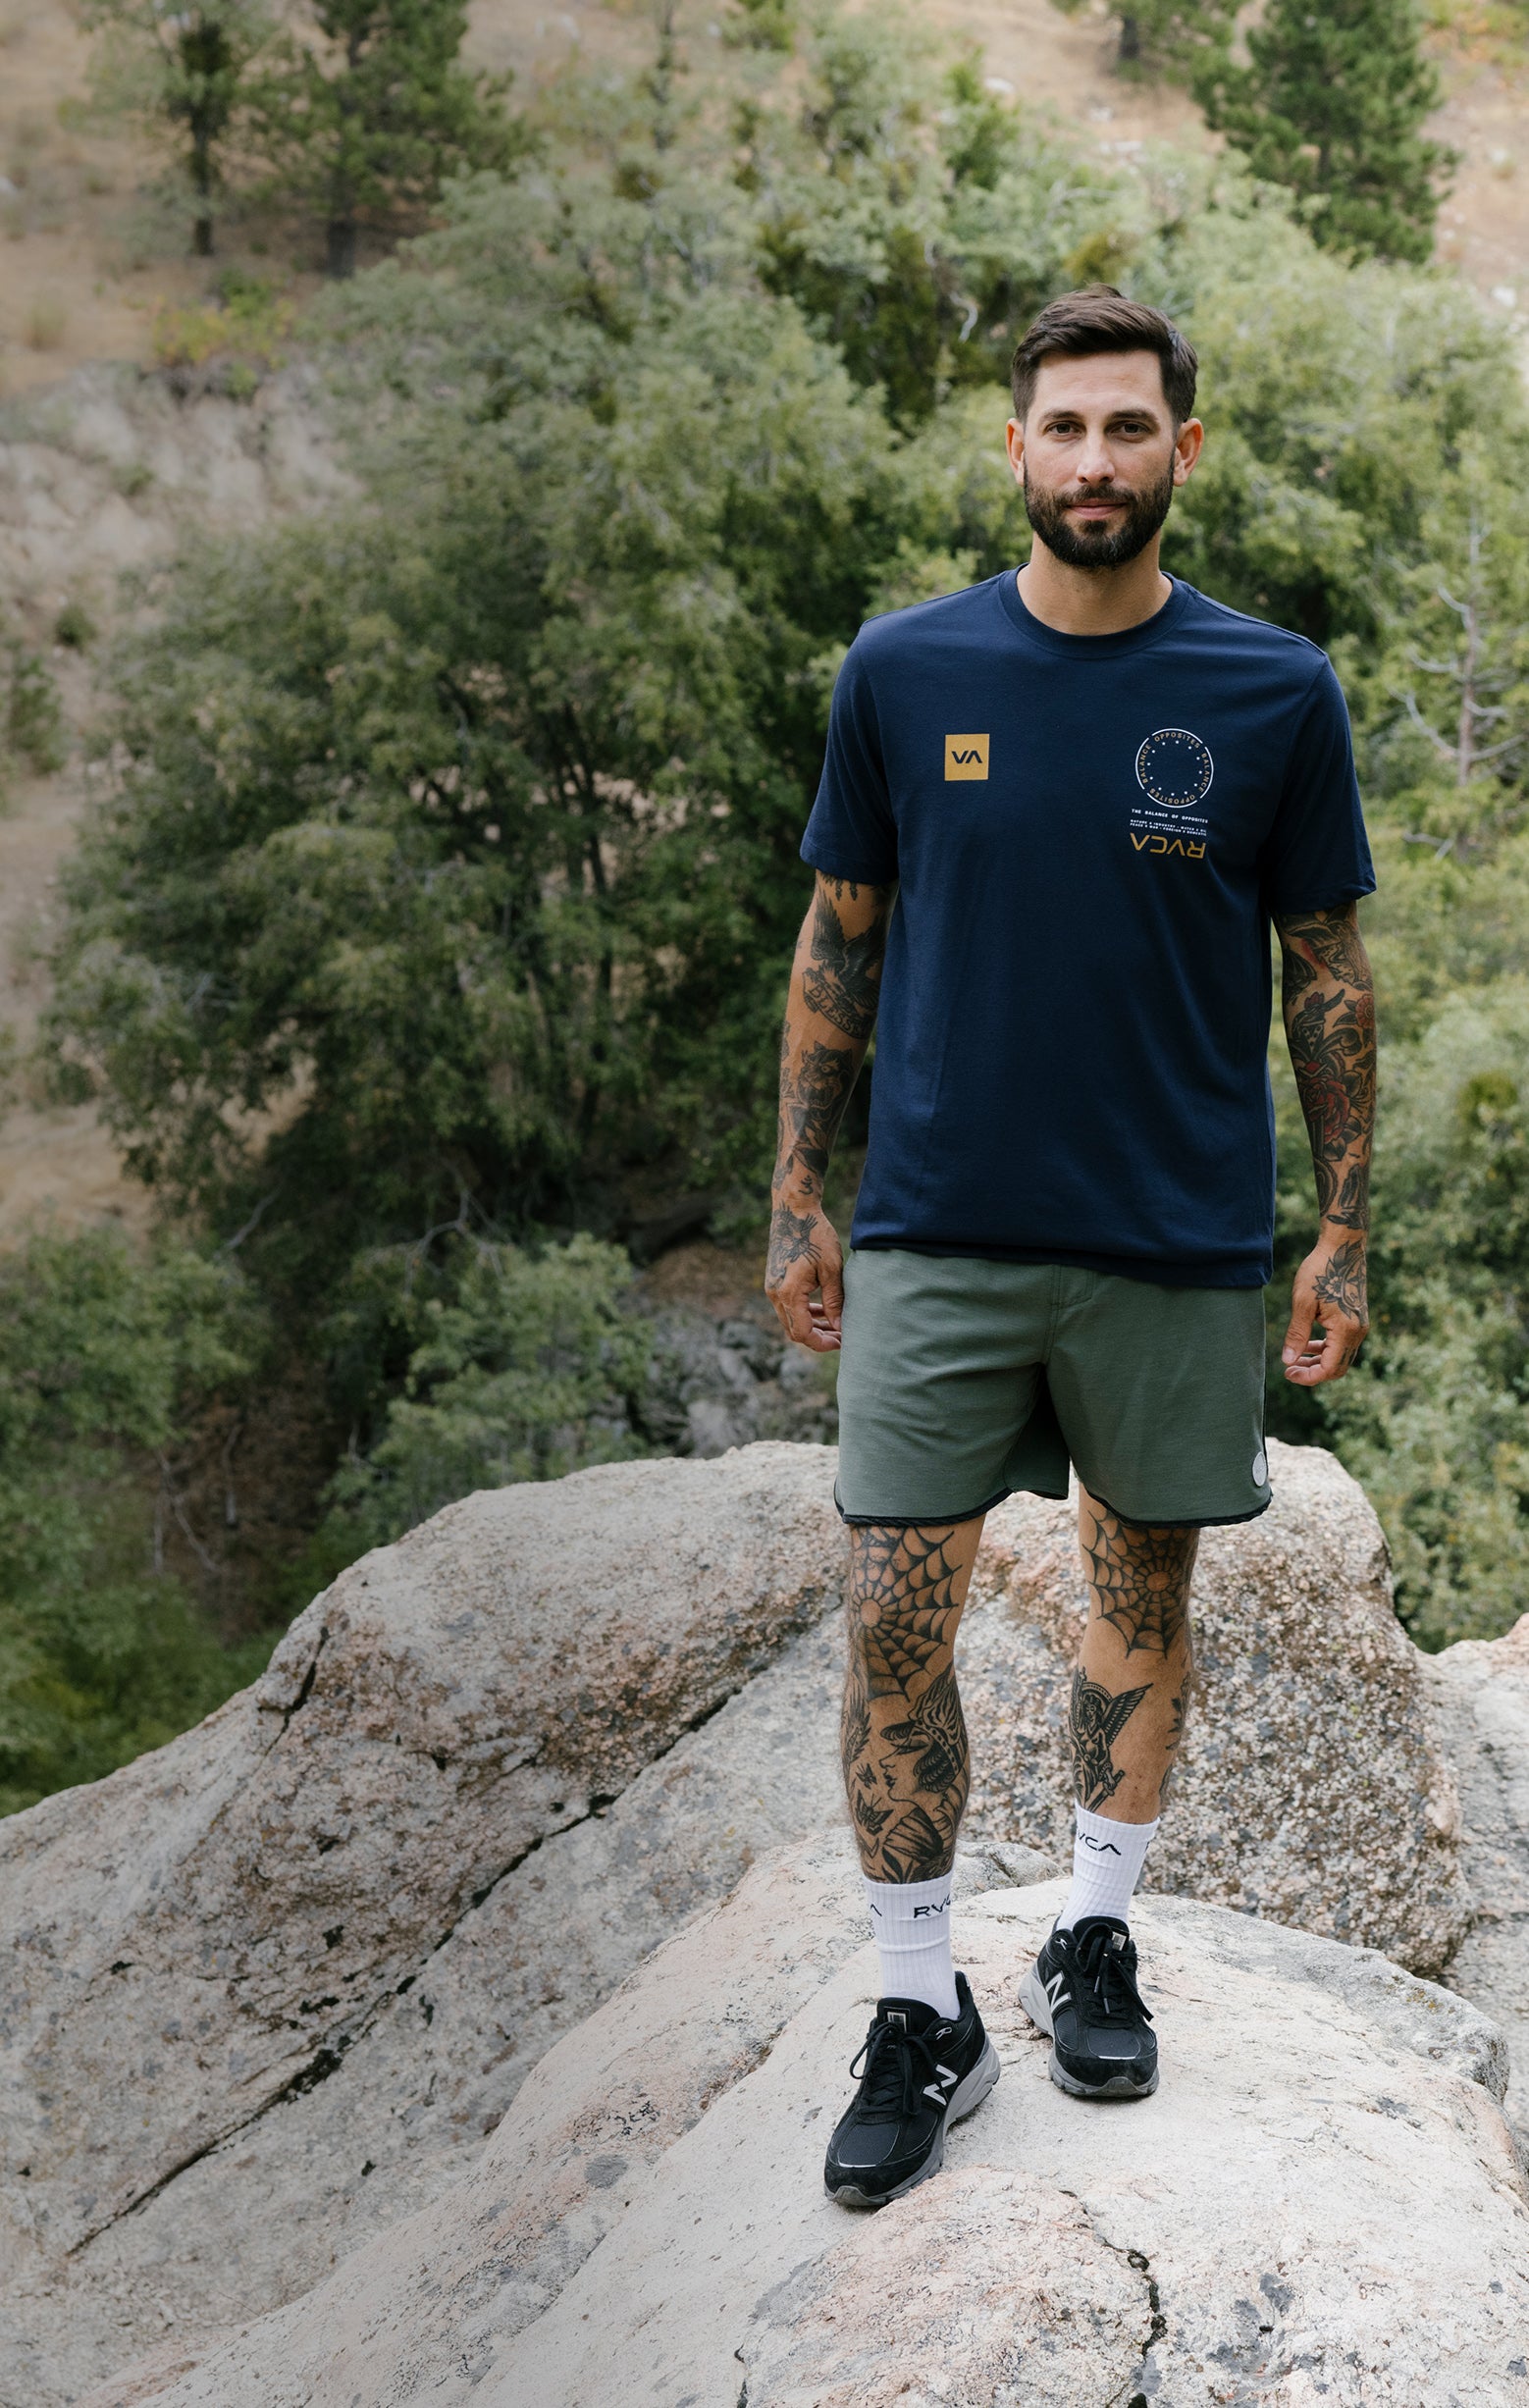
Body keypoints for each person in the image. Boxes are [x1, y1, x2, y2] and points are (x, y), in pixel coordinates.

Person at [764, 285, 1376, 2210]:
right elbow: (836, 940)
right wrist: (797, 1190)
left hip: (1172, 1240)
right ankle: (911, 2006)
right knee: (889, 1614)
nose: (1092, 461)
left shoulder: (1274, 691)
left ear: (1179, 455)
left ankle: (1089, 1936)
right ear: (1012, 451)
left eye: (1128, 430)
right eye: (1061, 429)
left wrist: (1339, 1229)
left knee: (1140, 1606)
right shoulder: (901, 669)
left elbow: (1327, 980)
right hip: (937, 1229)